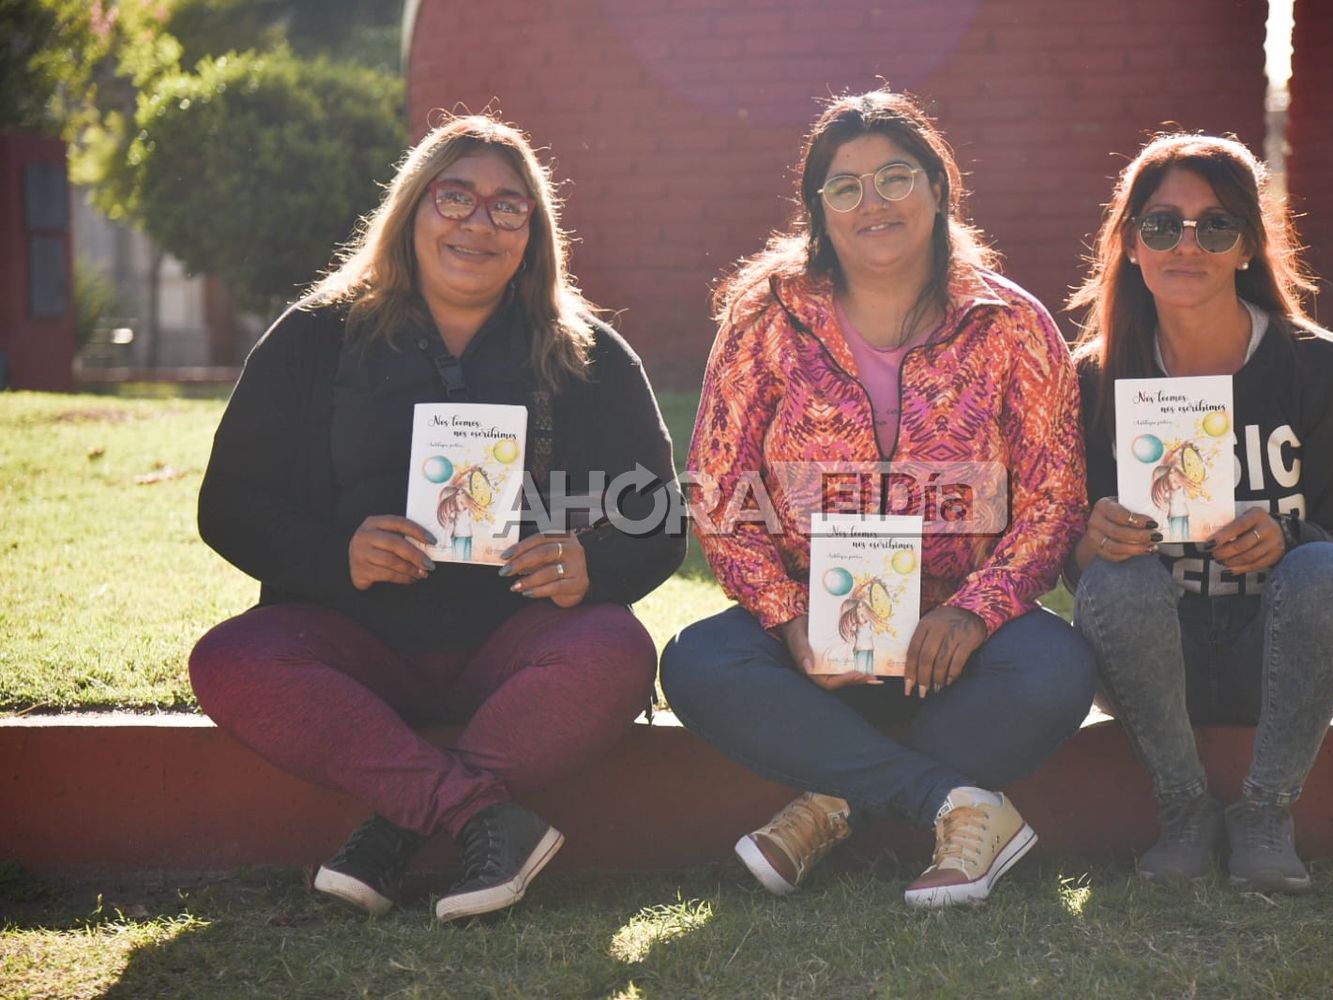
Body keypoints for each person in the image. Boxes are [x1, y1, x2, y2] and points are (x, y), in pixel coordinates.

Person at [190, 114, 685, 922]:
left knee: (616, 649)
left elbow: (659, 519)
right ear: (413, 208)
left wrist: (592, 563)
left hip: (516, 643)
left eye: (506, 206)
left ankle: (397, 825)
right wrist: (334, 553)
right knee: (233, 659)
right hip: (352, 639)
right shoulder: (315, 337)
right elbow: (229, 505)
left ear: (535, 230)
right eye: (454, 196)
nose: (476, 223)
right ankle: (481, 820)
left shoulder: (587, 353)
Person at [660, 91, 1096, 909]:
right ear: (818, 211)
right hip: (813, 649)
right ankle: (955, 805)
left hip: (954, 646)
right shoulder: (766, 318)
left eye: (896, 177)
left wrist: (974, 613)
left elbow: (1053, 501)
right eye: (845, 186)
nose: (874, 203)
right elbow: (722, 493)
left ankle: (831, 805)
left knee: (1057, 666)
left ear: (939, 187)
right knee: (698, 659)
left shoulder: (1014, 326)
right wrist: (790, 621)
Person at [1065, 133, 1333, 893]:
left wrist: (1289, 535)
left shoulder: (1321, 365)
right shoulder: (1093, 378)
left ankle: (1265, 813)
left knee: (1326, 569)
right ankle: (1183, 810)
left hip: (1278, 660)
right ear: (1131, 244)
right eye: (1162, 224)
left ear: (1248, 247)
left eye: (1216, 226)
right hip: (1149, 663)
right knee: (1114, 581)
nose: (1187, 245)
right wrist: (1088, 537)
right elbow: (1063, 561)